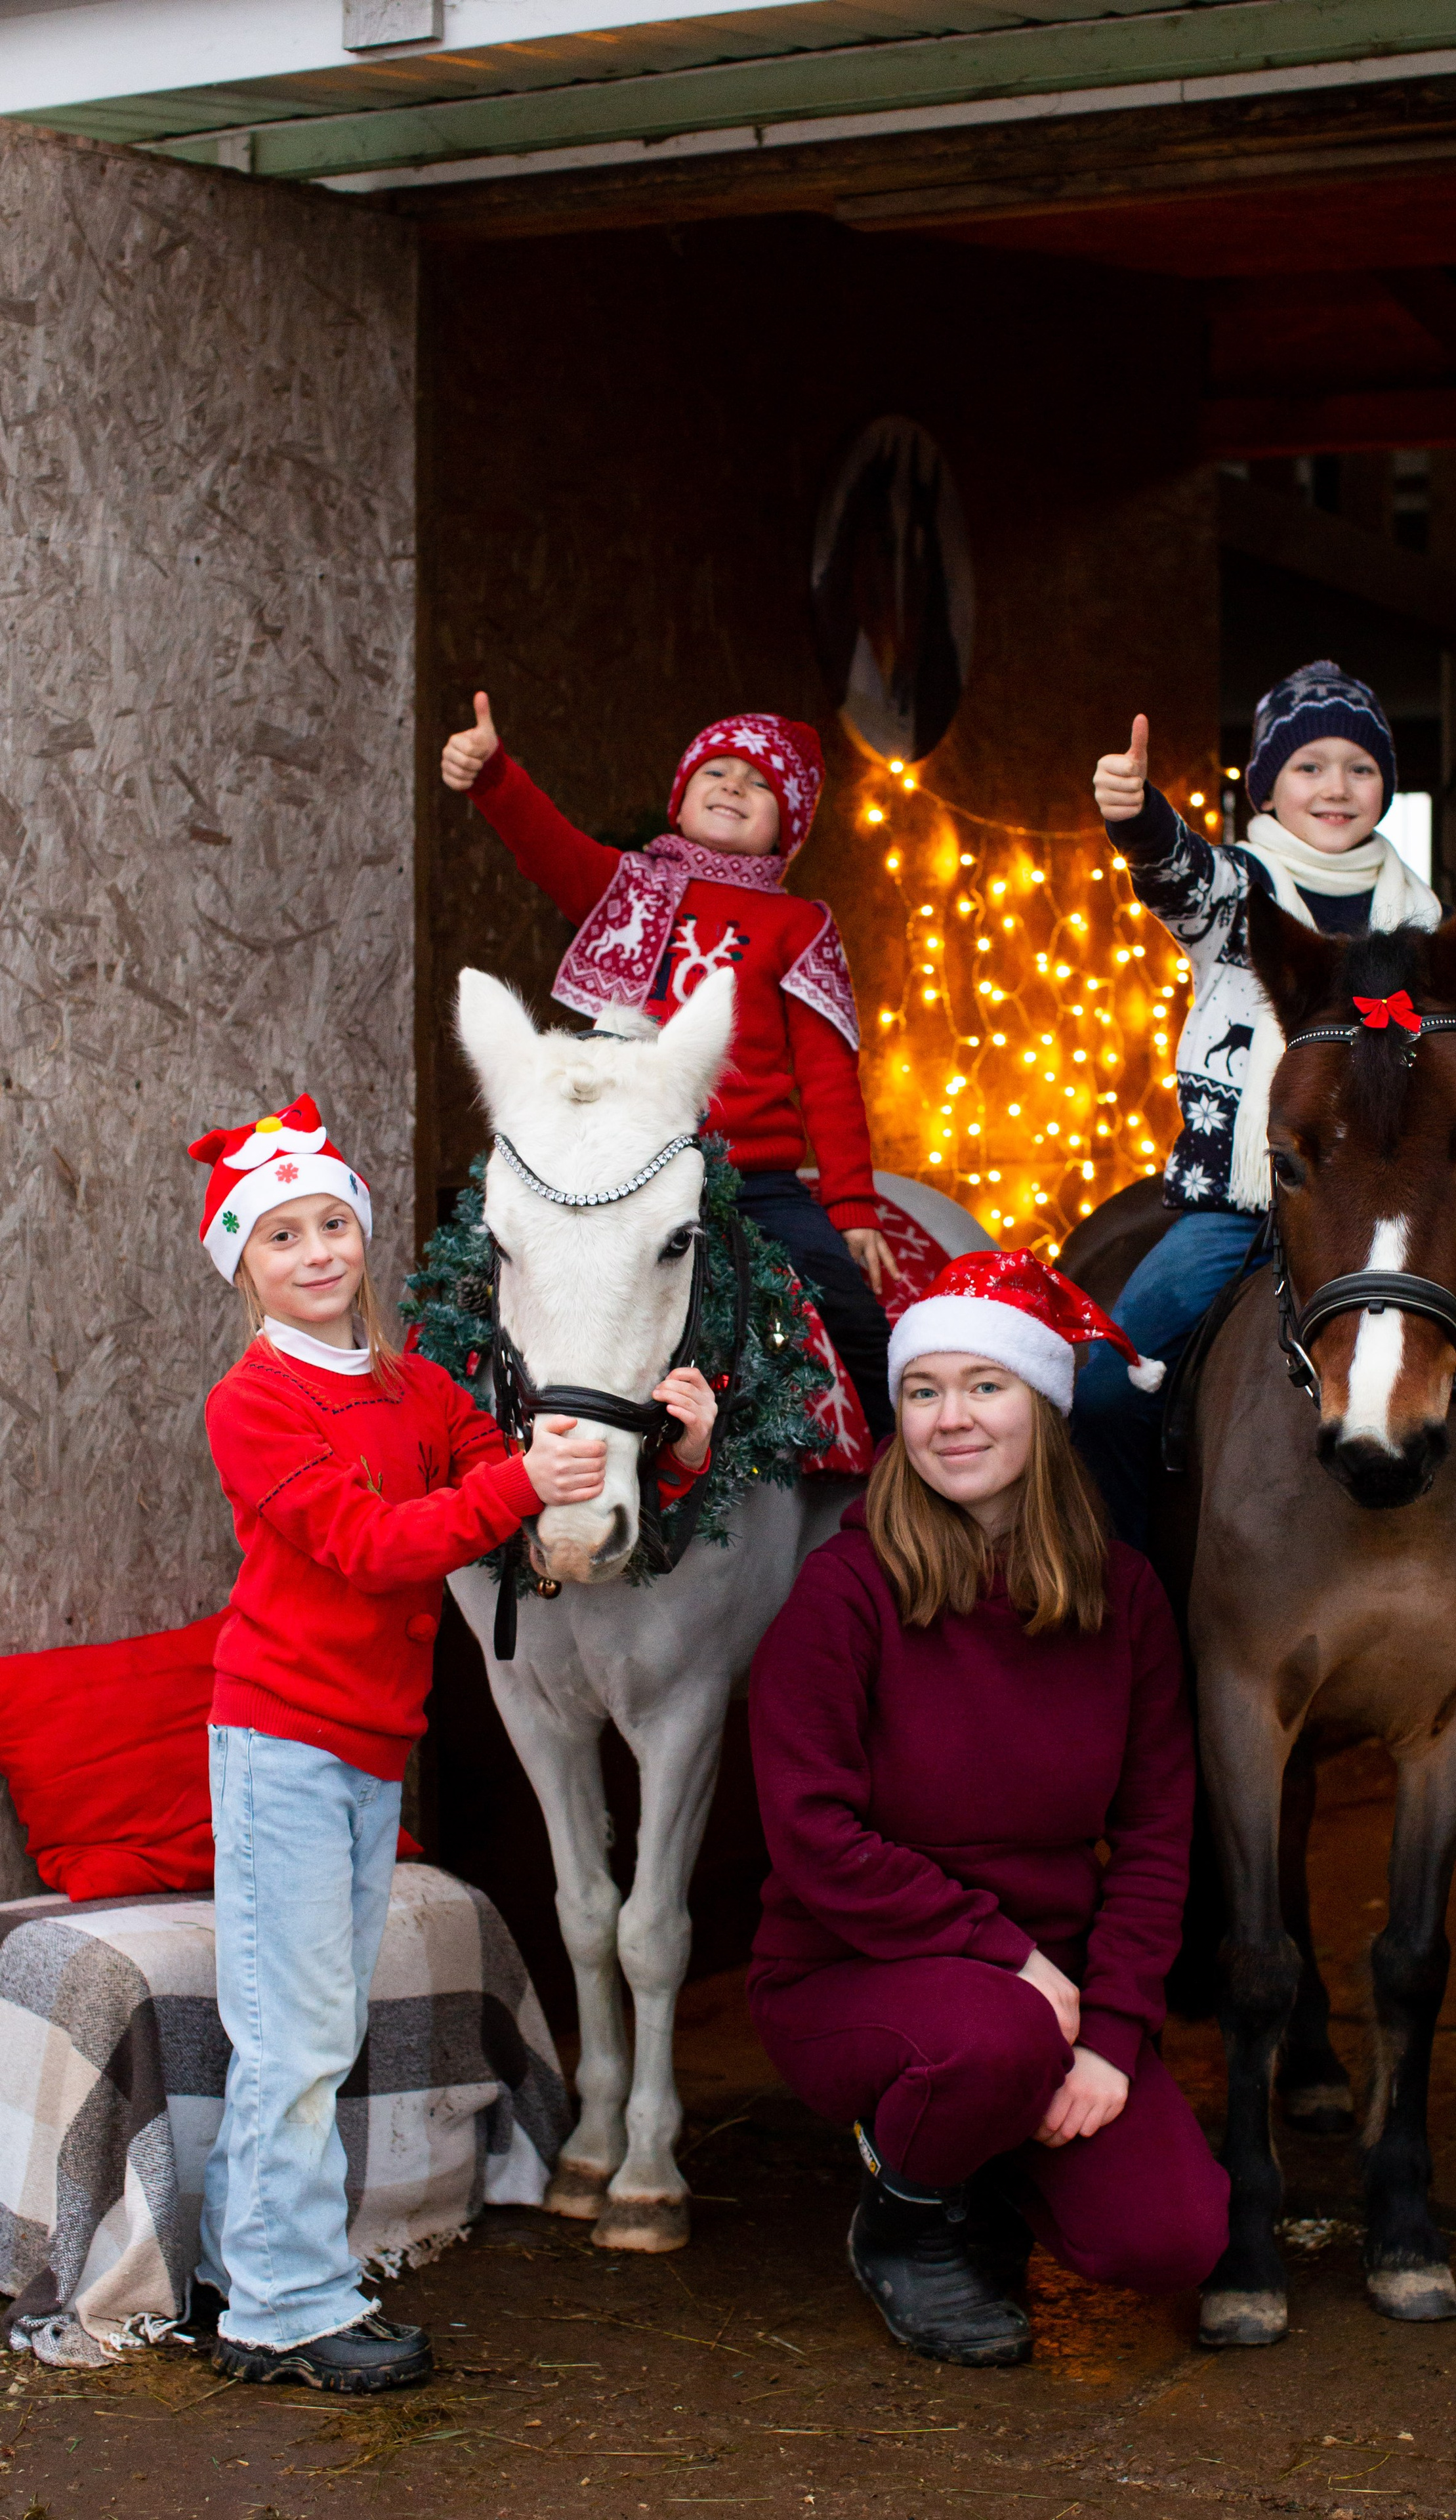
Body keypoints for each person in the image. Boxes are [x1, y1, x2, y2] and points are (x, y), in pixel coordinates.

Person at [1074, 658, 1456, 1816]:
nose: (1336, 785)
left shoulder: (1420, 917)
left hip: (1374, 1229)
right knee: (1101, 1385)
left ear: (1385, 789)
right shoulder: (1242, 893)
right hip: (1237, 1208)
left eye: (1360, 766)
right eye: (1309, 766)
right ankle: (1118, 1630)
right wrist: (1138, 815)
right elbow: (1176, 874)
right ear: (1269, 788)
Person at [188, 1092, 715, 2389]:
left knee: (311, 2026)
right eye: (280, 1238)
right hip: (282, 1744)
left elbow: (532, 1534)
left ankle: (251, 2264)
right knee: (298, 2035)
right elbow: (374, 1548)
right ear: (244, 1269)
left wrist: (675, 1454)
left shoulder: (417, 1387)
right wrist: (520, 1480)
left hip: (368, 1746)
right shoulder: (252, 1404)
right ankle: (283, 2306)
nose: (316, 1253)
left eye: (331, 1224)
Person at [746, 1249, 1225, 2368]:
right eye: (924, 1392)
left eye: (984, 1387)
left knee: (1176, 2237)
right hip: (853, 1971)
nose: (951, 1419)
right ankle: (908, 2214)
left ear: (1043, 1408)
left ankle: (987, 2146)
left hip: (1046, 1998)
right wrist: (1006, 1958)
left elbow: (1157, 1840)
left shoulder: (1126, 1599)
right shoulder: (843, 1593)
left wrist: (1111, 2039)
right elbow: (815, 1839)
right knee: (992, 2038)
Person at [441, 695, 898, 1436]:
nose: (732, 787)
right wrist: (495, 776)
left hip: (751, 1180)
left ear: (790, 826)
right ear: (679, 798)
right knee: (476, 1285)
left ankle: (902, 1472)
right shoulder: (627, 887)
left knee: (850, 1310)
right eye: (714, 771)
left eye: (759, 785)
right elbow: (544, 843)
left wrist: (850, 1205)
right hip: (615, 1168)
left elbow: (827, 1074)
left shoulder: (797, 923)